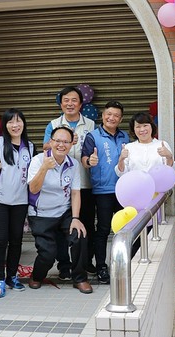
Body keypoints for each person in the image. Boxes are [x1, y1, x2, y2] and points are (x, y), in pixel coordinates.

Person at [27, 126, 92, 294]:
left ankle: (80, 278)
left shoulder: (73, 164)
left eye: (66, 142)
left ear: (71, 145)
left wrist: (76, 218)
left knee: (79, 235)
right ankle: (36, 276)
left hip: (64, 212)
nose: (61, 145)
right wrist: (44, 168)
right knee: (47, 254)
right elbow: (33, 189)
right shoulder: (38, 160)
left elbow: (76, 193)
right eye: (57, 141)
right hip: (40, 213)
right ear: (51, 142)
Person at [43, 86, 96, 278]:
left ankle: (85, 262)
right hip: (61, 186)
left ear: (81, 104)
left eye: (74, 100)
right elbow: (45, 147)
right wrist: (63, 142)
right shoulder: (53, 123)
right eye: (66, 100)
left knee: (86, 225)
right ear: (61, 103)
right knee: (61, 228)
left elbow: (93, 149)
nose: (70, 104)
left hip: (85, 183)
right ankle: (64, 266)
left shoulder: (90, 124)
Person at [115, 112, 175, 257]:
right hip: (133, 196)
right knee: (134, 228)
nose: (142, 130)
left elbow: (170, 170)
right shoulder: (129, 147)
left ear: (151, 127)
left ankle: (146, 256)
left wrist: (169, 156)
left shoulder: (161, 144)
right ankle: (132, 261)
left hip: (155, 196)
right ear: (133, 129)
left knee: (151, 229)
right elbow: (120, 172)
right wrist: (121, 159)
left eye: (145, 125)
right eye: (138, 126)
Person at [0, 108, 34, 298]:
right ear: (5, 126)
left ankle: (12, 276)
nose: (15, 125)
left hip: (20, 200)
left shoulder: (30, 147)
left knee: (16, 240)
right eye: (10, 122)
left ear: (23, 124)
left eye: (18, 121)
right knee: (0, 240)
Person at [81, 101, 129, 284]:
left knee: (125, 229)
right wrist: (90, 161)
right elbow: (85, 159)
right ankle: (101, 266)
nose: (112, 118)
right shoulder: (93, 136)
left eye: (116, 115)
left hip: (124, 189)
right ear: (103, 115)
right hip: (103, 191)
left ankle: (125, 264)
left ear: (120, 119)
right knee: (102, 229)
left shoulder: (125, 136)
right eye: (109, 114)